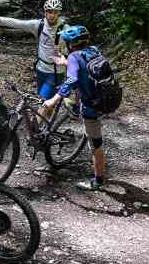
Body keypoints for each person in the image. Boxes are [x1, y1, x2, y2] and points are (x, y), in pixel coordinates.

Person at [41, 25, 107, 190]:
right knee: (76, 99)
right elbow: (83, 65)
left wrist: (53, 100)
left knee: (95, 145)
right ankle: (76, 107)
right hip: (102, 97)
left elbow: (71, 80)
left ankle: (98, 181)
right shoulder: (94, 50)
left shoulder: (73, 57)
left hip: (91, 106)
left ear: (71, 44)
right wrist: (65, 61)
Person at [0, 0, 70, 110]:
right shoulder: (38, 25)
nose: (52, 15)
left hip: (56, 72)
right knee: (46, 102)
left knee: (42, 101)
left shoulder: (66, 29)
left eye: (55, 12)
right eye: (49, 12)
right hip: (41, 69)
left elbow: (76, 48)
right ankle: (49, 120)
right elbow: (17, 23)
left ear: (59, 13)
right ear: (45, 12)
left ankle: (39, 121)